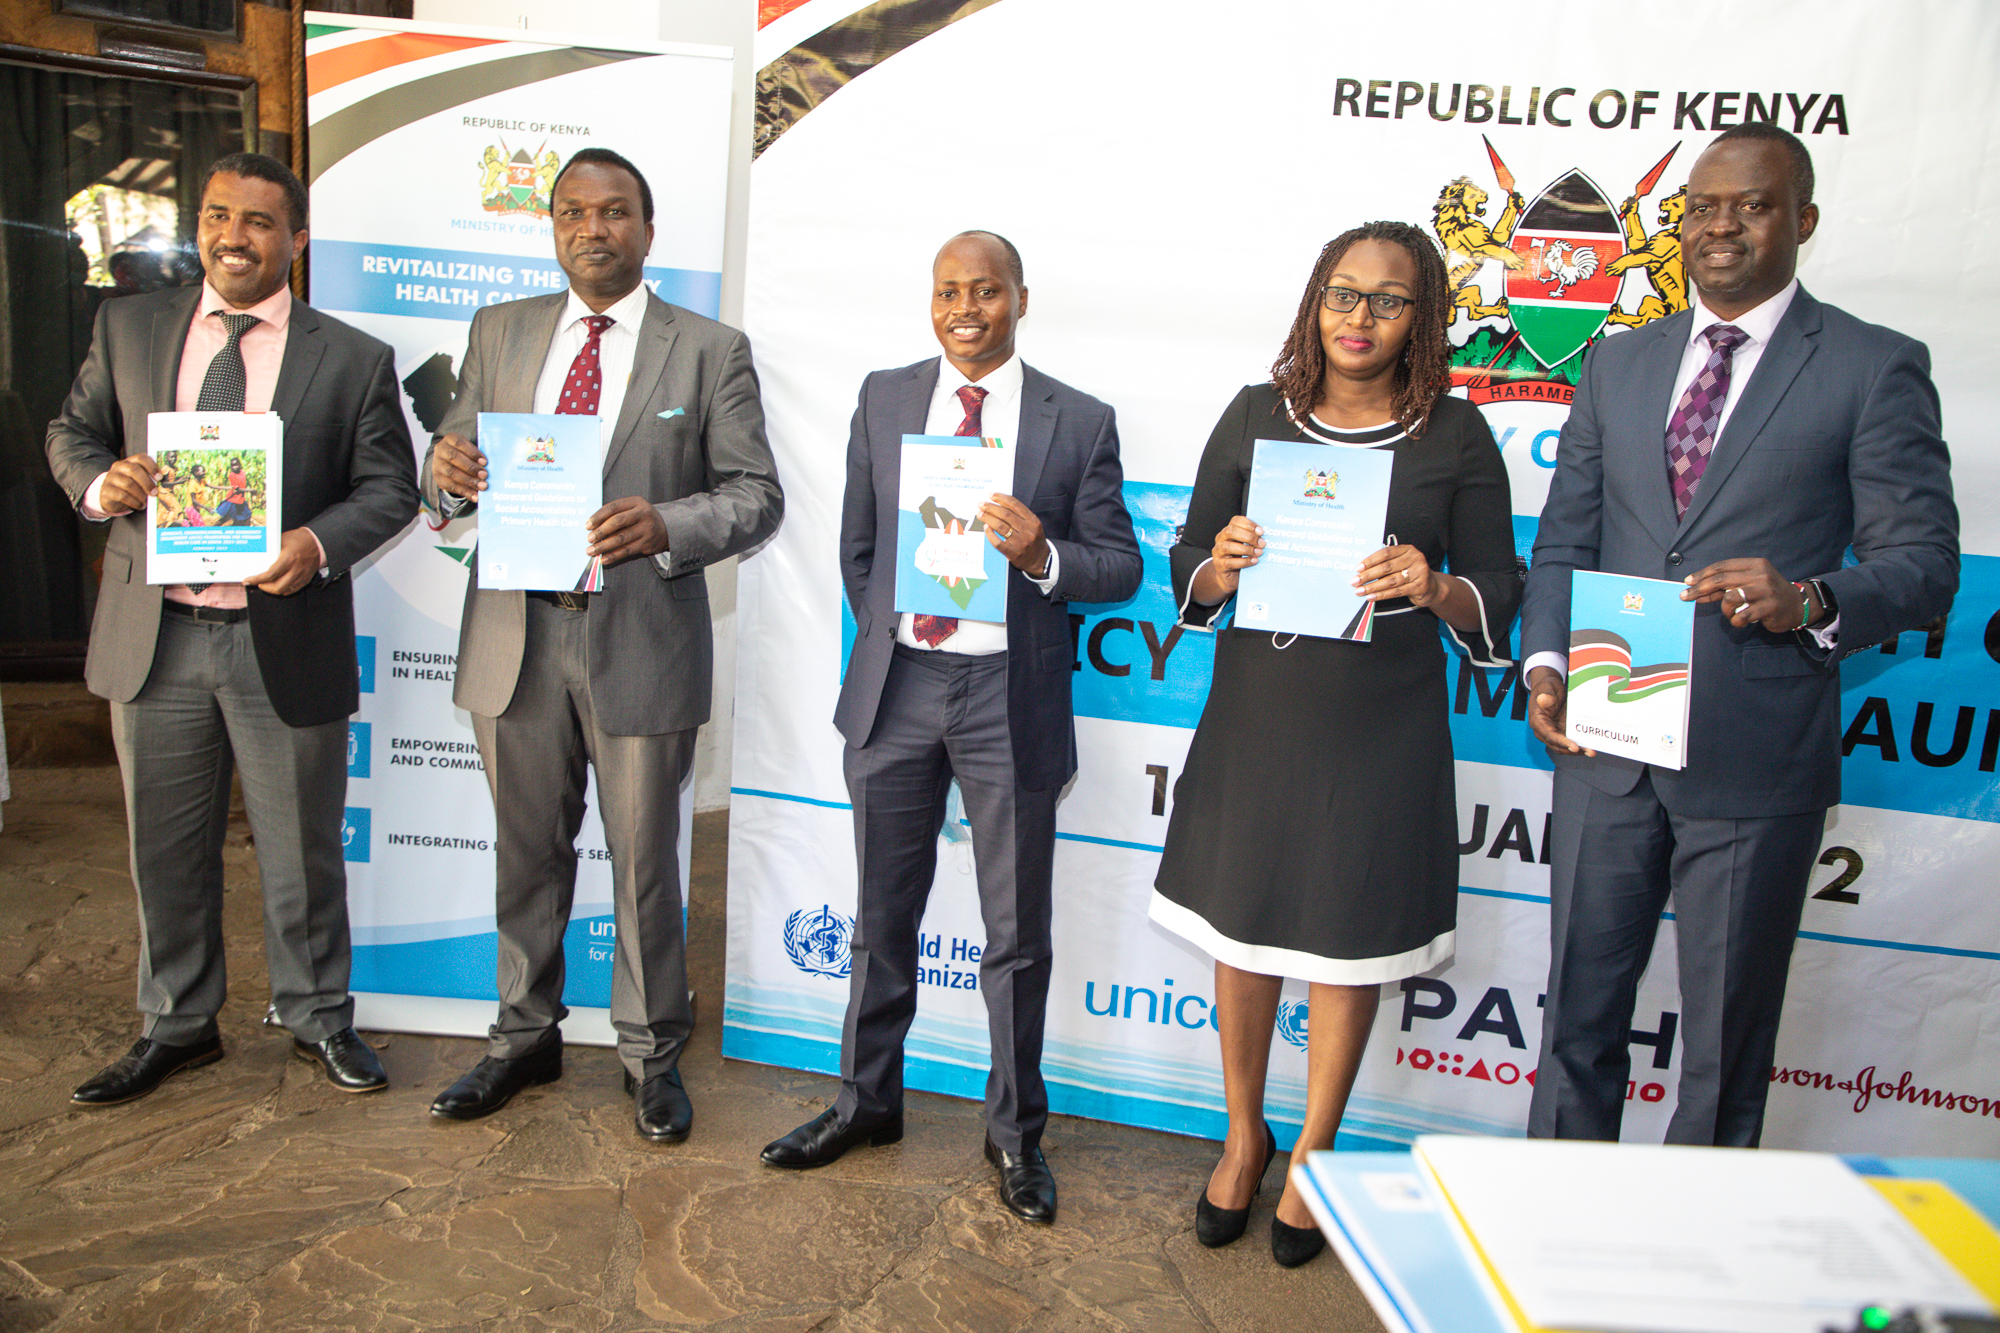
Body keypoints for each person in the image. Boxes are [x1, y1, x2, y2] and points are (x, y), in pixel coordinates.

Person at [1520, 124, 1958, 1147]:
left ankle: (1691, 1270)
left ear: (1799, 220)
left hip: (1751, 761)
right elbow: (1561, 541)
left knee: (1721, 1051)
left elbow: (1923, 565)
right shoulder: (1615, 363)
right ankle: (1543, 1247)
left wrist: (1806, 598)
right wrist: (1545, 665)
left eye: (1750, 204)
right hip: (1604, 746)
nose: (1720, 226)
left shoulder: (1870, 366)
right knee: (1575, 1024)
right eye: (1700, 207)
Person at [1150, 221, 1522, 1267]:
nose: (1359, 318)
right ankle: (1241, 1134)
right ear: (1315, 301)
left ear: (1422, 319)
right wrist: (1219, 565)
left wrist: (1435, 584)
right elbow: (1188, 558)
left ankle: (1313, 1148)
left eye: (1387, 300)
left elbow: (1498, 592)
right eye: (1342, 294)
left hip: (1380, 725)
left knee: (1345, 936)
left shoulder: (1454, 436)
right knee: (1243, 925)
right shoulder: (1253, 414)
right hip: (1259, 710)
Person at [760, 231, 1142, 1224]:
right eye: (945, 291)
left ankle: (1014, 1137)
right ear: (928, 301)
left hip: (1006, 695)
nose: (962, 306)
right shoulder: (886, 396)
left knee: (1015, 936)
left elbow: (1118, 565)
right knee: (880, 917)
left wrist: (1042, 552)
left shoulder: (1077, 420)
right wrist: (895, 626)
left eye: (983, 290)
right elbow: (857, 545)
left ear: (1020, 297)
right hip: (897, 692)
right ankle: (866, 1101)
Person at [423, 148, 782, 1143]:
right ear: (552, 226)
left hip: (641, 638)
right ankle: (521, 1035)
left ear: (648, 230)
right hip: (515, 636)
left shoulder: (709, 349)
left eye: (615, 212)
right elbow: (451, 472)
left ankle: (649, 1051)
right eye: (574, 212)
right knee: (524, 853)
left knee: (643, 863)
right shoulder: (499, 332)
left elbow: (755, 497)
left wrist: (667, 526)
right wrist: (444, 470)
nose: (594, 229)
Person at [45, 151, 419, 1104]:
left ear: (295, 239)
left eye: (258, 222)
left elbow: (389, 489)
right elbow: (70, 432)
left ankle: (317, 1019)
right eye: (218, 215)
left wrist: (316, 542)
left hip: (279, 639)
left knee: (301, 850)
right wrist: (102, 482)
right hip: (156, 634)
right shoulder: (128, 326)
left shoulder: (352, 356)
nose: (233, 236)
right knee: (162, 849)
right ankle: (177, 1024)